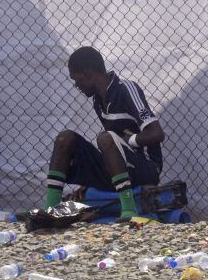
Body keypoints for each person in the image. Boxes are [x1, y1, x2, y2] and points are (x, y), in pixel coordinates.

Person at [45, 46, 165, 222]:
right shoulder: (98, 100)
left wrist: (129, 140)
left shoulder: (126, 89)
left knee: (105, 137)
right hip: (122, 169)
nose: (76, 85)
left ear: (87, 73)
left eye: (76, 79)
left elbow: (157, 133)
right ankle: (50, 211)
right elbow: (113, 146)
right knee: (65, 138)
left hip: (145, 169)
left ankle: (129, 211)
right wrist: (88, 183)